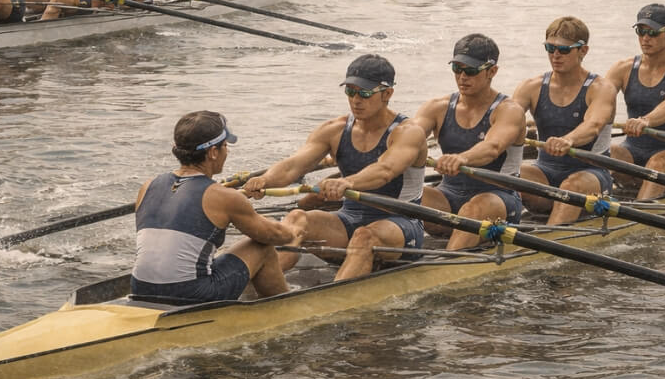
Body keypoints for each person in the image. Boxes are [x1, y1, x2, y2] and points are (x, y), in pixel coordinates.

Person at [243, 55, 428, 281]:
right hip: (347, 220)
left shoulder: (409, 132)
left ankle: (333, 301)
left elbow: (385, 170)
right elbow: (293, 166)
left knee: (364, 236)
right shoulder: (334, 129)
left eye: (365, 93)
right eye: (350, 91)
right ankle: (257, 286)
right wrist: (265, 181)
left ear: (387, 94)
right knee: (298, 217)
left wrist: (347, 181)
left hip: (401, 224)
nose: (356, 100)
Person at [131, 111, 305, 303]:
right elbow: (272, 235)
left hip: (139, 287)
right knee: (261, 247)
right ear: (213, 152)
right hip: (190, 294)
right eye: (225, 146)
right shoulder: (223, 196)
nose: (227, 152)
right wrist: (294, 231)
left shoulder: (148, 185)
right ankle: (284, 307)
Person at [414, 34, 526, 250]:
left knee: (473, 210)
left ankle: (446, 267)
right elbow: (406, 138)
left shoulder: (508, 110)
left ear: (492, 71)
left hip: (498, 202)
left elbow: (492, 148)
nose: (462, 77)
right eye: (457, 68)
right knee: (399, 195)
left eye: (471, 70)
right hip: (448, 197)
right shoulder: (437, 107)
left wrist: (462, 158)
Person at [512, 16, 617, 225]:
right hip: (545, 172)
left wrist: (568, 140)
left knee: (572, 187)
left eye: (564, 50)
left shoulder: (601, 88)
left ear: (583, 51)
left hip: (591, 175)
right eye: (550, 48)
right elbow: (505, 121)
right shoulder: (531, 87)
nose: (555, 55)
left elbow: (593, 125)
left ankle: (548, 241)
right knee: (509, 175)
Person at [606, 3, 665, 199]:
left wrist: (645, 120)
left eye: (653, 32)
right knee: (607, 153)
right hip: (633, 149)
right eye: (641, 31)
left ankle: (641, 212)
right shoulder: (623, 68)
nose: (645, 38)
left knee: (659, 164)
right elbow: (596, 102)